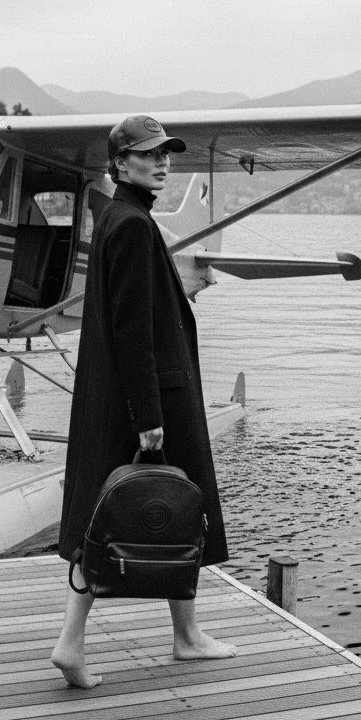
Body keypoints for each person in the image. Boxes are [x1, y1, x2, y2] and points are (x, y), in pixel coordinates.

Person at [50, 114, 236, 689]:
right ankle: (87, 641)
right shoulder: (131, 225)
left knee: (104, 520)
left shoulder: (118, 217)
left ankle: (173, 636)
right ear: (120, 162)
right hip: (151, 397)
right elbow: (133, 329)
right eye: (150, 153)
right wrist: (150, 417)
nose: (162, 161)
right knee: (176, 508)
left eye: (166, 153)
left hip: (119, 395)